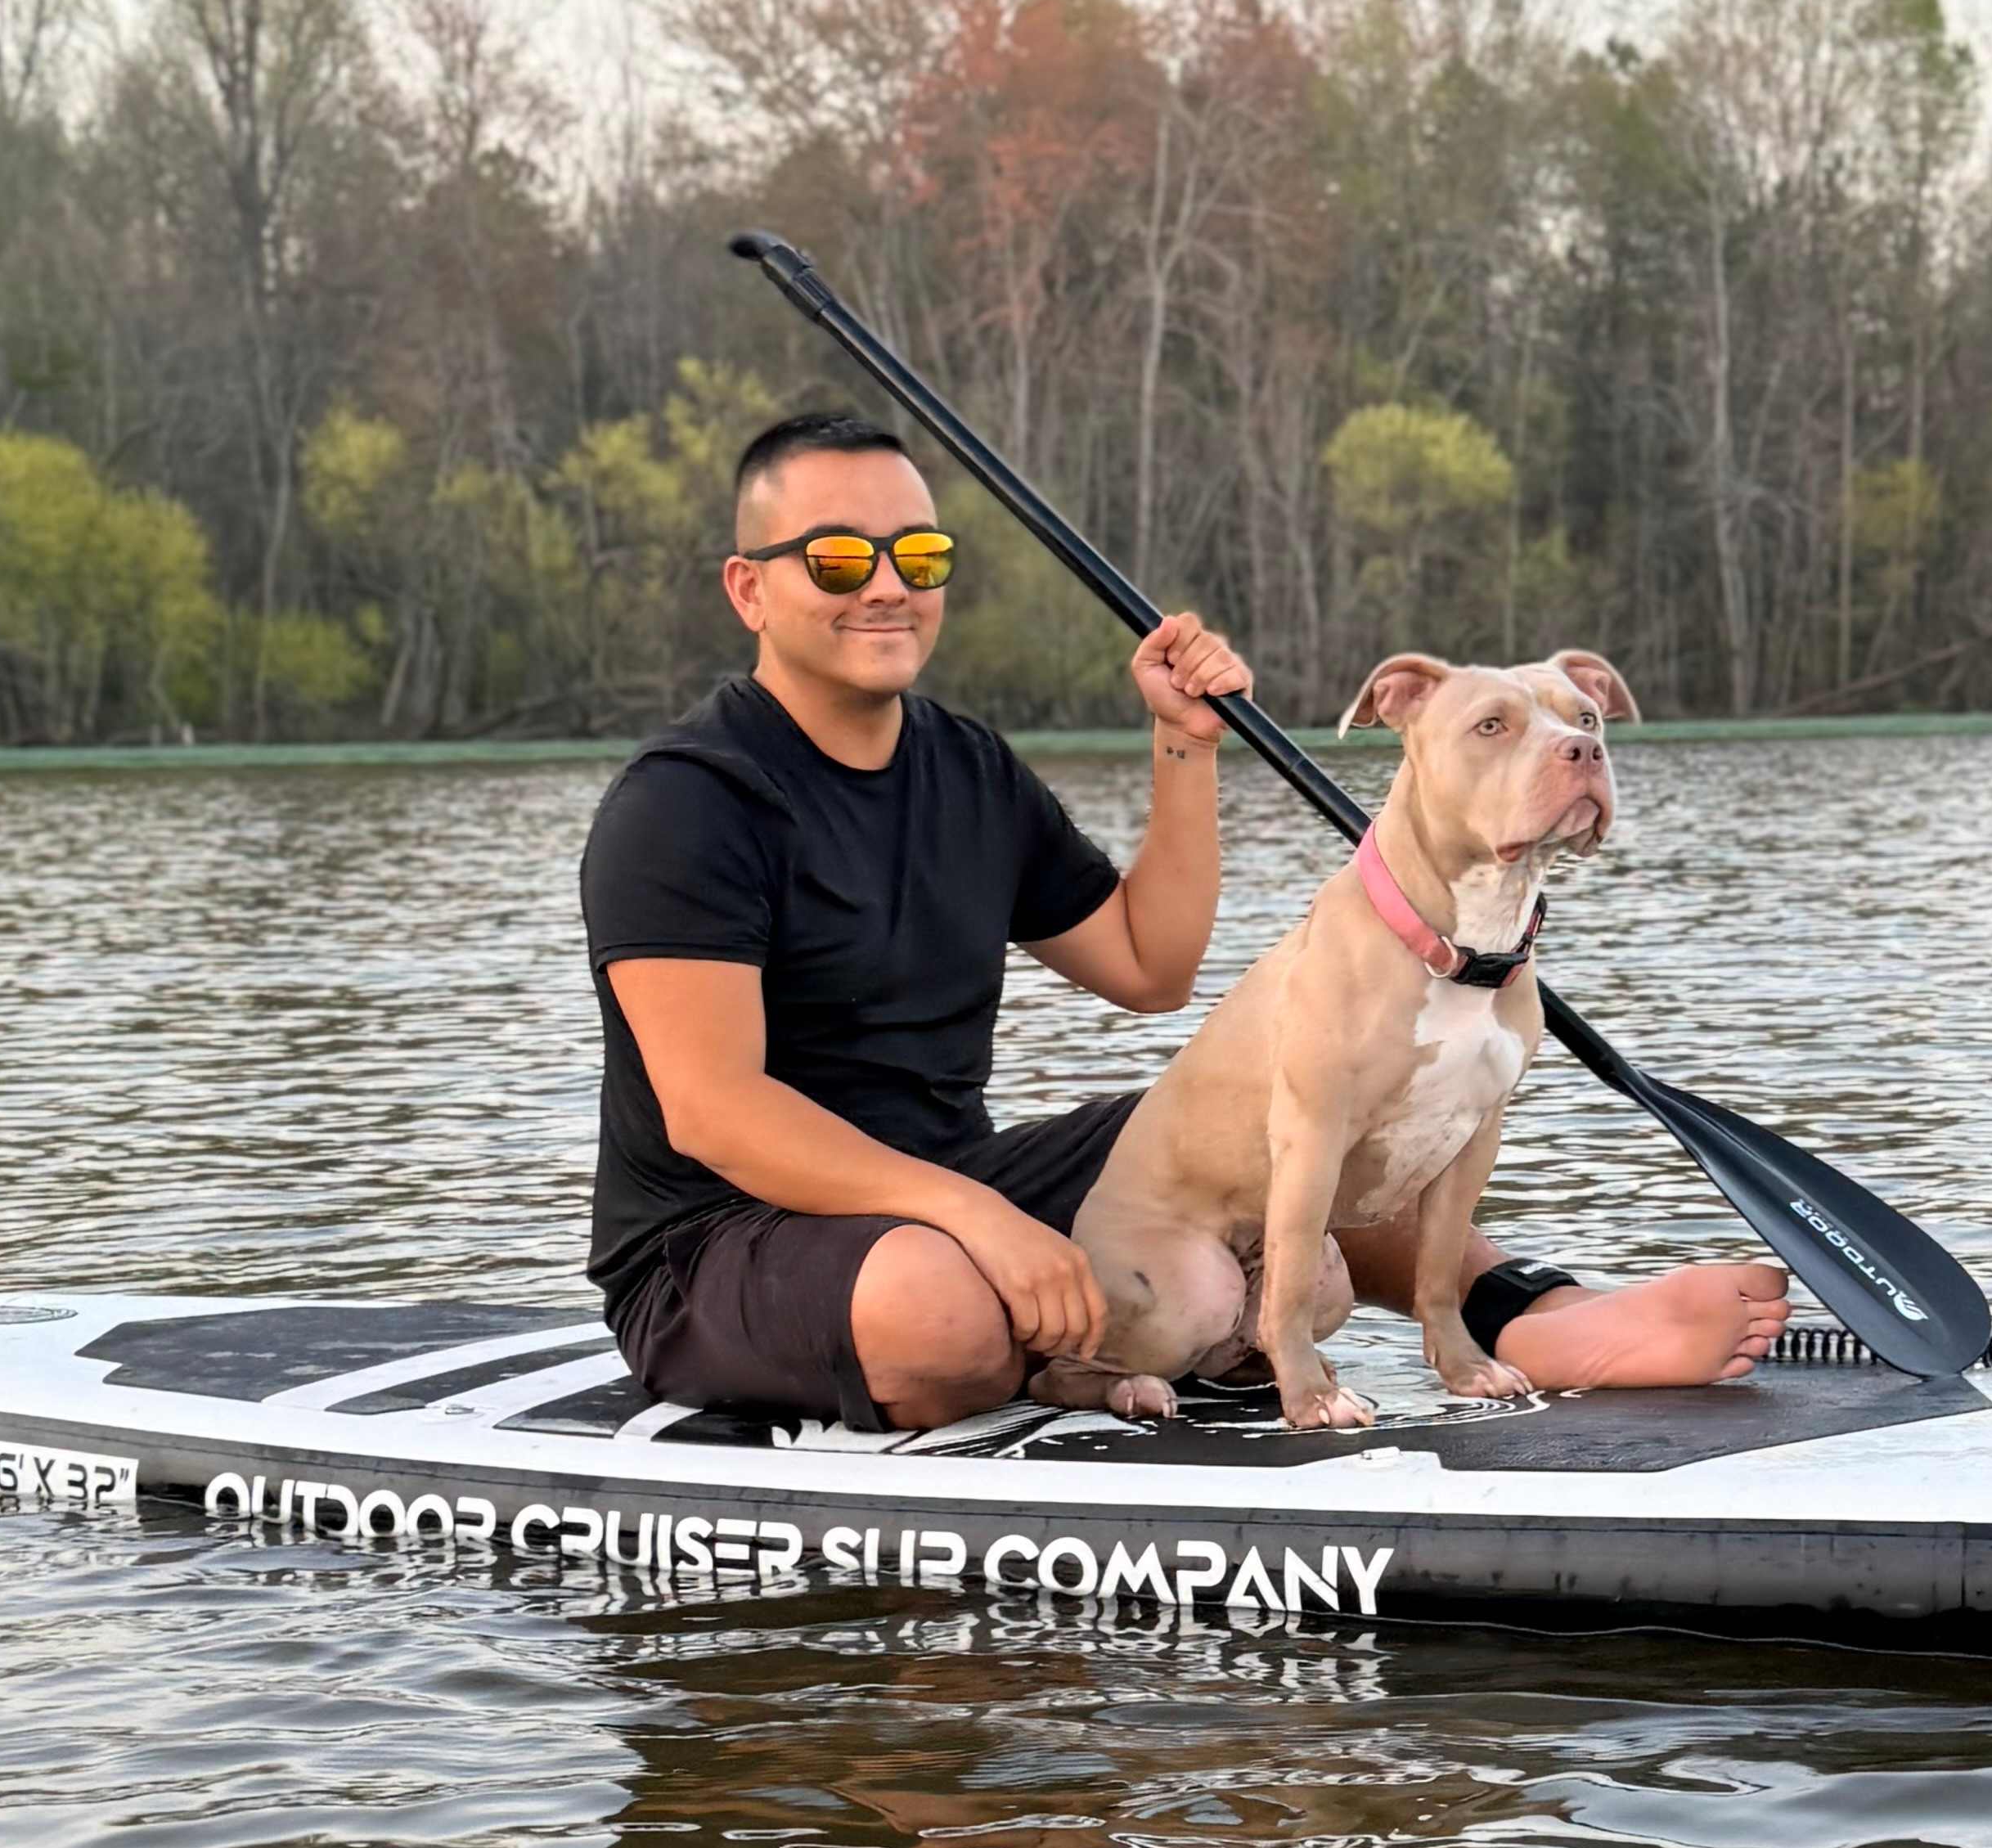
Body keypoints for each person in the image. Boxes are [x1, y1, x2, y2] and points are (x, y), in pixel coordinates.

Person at [581, 406, 1790, 1432]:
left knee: (1267, 1127)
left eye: (918, 553)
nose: (888, 584)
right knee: (942, 1314)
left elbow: (1148, 969)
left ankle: (1527, 1320)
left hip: (958, 1178)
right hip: (721, 1239)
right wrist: (980, 1226)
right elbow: (716, 1112)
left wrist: (1182, 743)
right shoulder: (690, 804)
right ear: (749, 588)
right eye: (839, 559)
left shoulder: (966, 768)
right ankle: (1125, 1345)